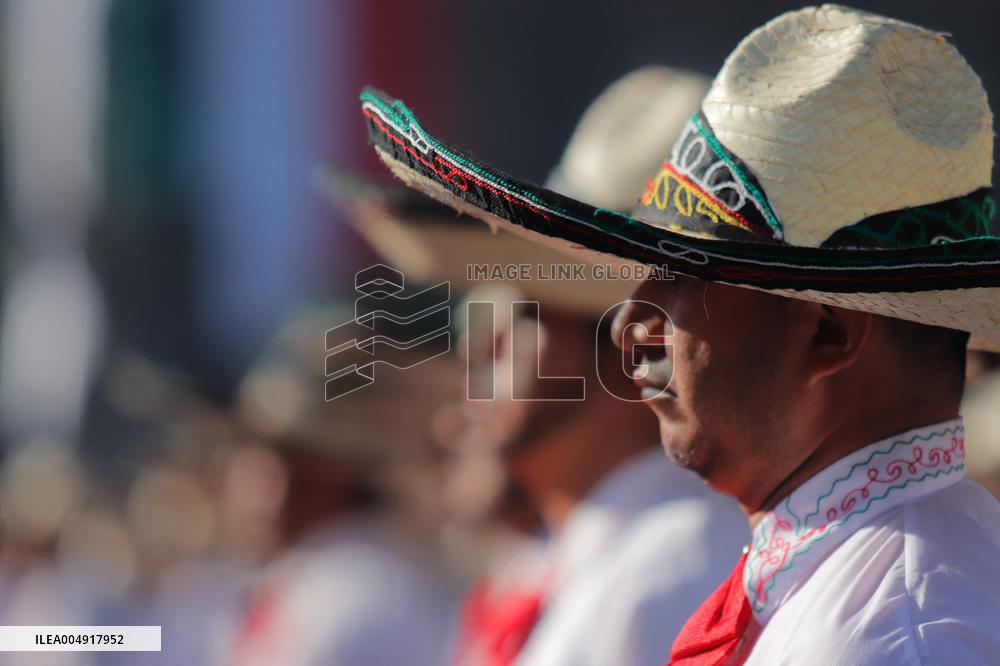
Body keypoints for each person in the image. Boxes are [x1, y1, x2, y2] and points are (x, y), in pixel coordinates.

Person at [361, 5, 1000, 663]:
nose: (631, 325)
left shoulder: (897, 633)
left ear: (829, 334)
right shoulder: (862, 592)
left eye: (680, 282)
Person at [339, 66, 749, 665]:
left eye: (526, 310)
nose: (481, 344)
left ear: (630, 347)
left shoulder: (668, 570)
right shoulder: (608, 561)